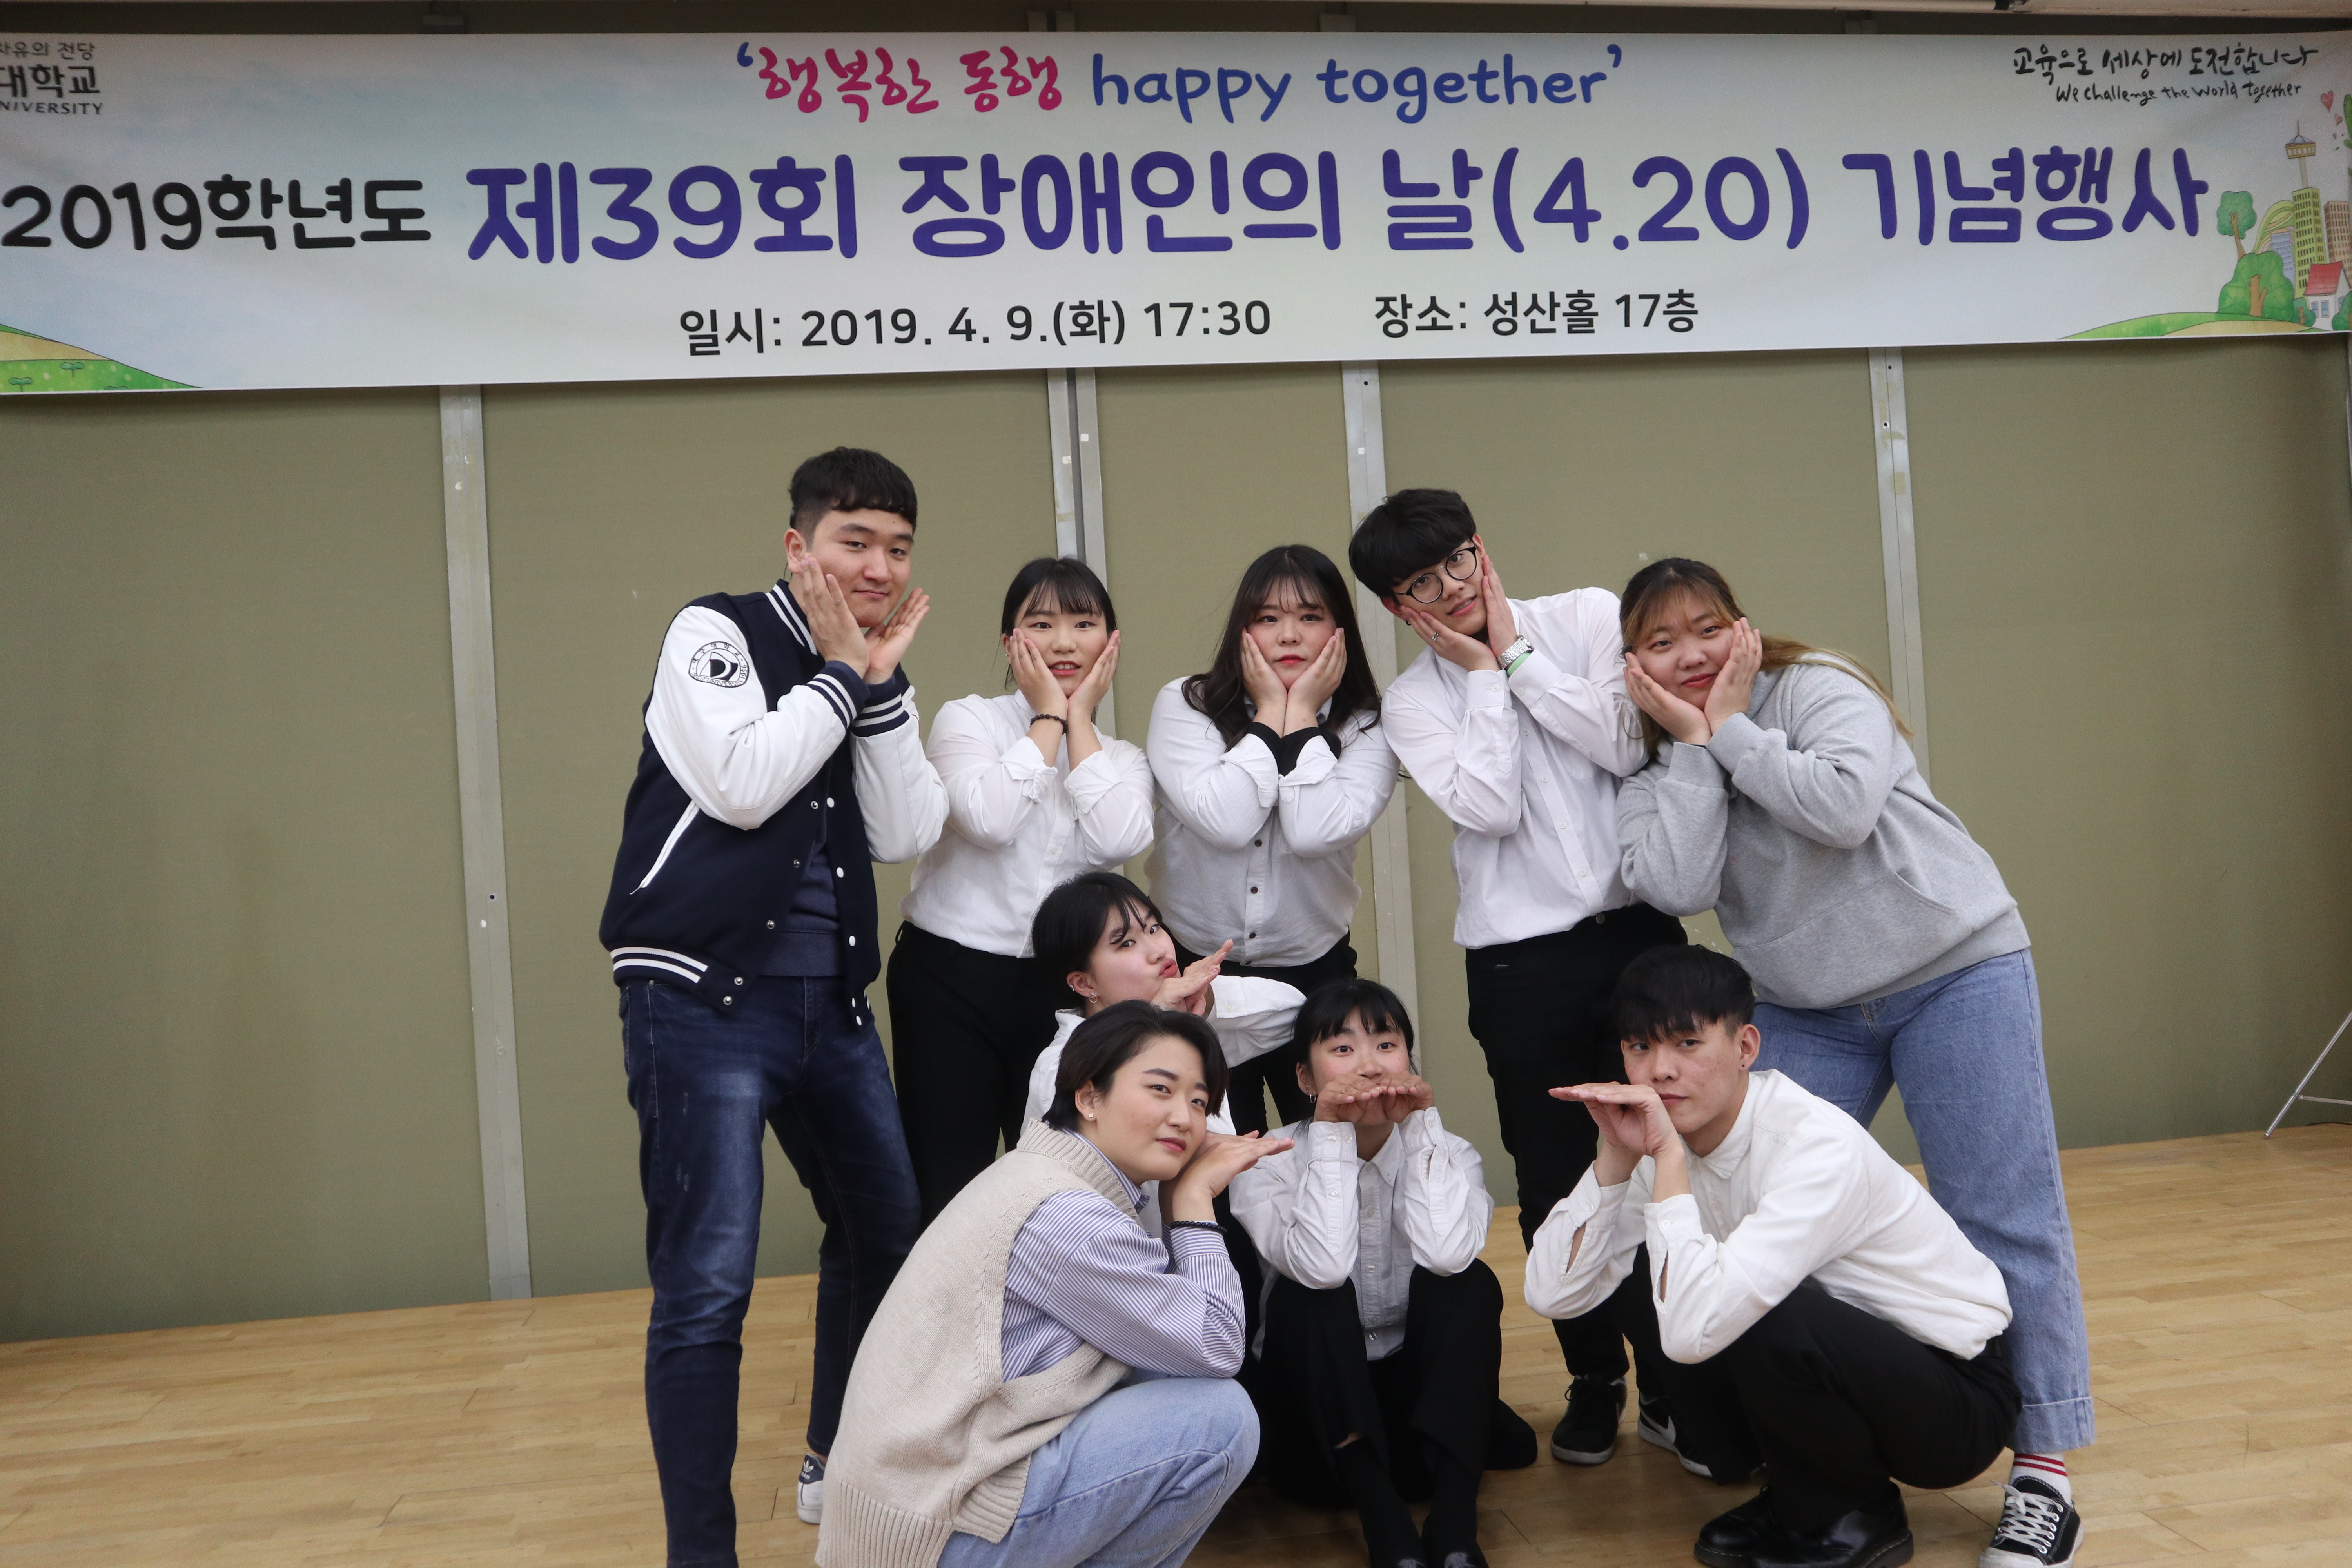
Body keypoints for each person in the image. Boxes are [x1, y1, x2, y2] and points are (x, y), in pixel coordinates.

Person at [1614, 558, 2090, 1568]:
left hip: (1954, 966)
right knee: (1742, 1205)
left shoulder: (1818, 686)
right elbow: (1678, 881)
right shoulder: (1654, 763)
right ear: (1633, 664)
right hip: (1806, 1003)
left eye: (1707, 627)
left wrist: (1731, 725)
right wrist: (1697, 746)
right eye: (1661, 641)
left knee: (2003, 1211)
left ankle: (2043, 1467)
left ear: (1743, 628)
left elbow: (1841, 808)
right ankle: (1826, 1482)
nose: (1691, 653)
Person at [598, 446, 948, 1560]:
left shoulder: (868, 665)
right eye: (855, 542)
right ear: (799, 547)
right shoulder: (716, 632)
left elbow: (906, 831)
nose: (879, 567)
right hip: (701, 998)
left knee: (888, 1233)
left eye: (898, 549)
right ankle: (701, 1553)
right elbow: (744, 785)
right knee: (707, 1285)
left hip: (828, 1003)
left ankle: (837, 1462)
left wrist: (877, 689)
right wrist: (842, 675)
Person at [1347, 488, 1689, 1470]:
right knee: (1553, 1174)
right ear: (1396, 606)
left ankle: (1678, 1378)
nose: (1452, 587)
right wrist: (1482, 678)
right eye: (1422, 583)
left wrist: (1519, 658)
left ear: (1481, 547)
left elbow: (1625, 741)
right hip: (1520, 963)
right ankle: (1596, 1374)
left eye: (1459, 560)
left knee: (1674, 1159)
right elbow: (1489, 806)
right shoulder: (1413, 702)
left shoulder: (1582, 617)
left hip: (1638, 937)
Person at [1528, 945, 2024, 1568]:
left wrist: (1669, 1161)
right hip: (1848, 1369)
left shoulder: (1813, 1144)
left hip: (1952, 1401)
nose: (1659, 1071)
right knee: (1640, 1270)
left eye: (1687, 1043)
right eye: (1640, 1047)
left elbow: (1691, 1333)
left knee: (1755, 1309)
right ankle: (1799, 1491)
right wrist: (1616, 1158)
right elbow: (1555, 1294)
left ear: (1746, 1047)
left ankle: (1859, 1513)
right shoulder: (1658, 1140)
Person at [818, 1002, 1290, 1568]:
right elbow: (1218, 1344)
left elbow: (1184, 1344)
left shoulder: (1043, 1175)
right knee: (1221, 1420)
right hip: (933, 1529)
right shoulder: (1066, 1217)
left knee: (1165, 1367)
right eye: (1161, 1090)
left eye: (1198, 1102)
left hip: (921, 1501)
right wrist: (1191, 1201)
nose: (1185, 1119)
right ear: (1089, 1097)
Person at [1231, 978, 1537, 1568]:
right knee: (1308, 1296)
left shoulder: (1450, 1152)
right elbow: (1322, 1268)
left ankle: (1455, 1526)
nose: (1369, 1065)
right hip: (1321, 1419)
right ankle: (1386, 1530)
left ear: (1409, 1061)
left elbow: (1448, 1257)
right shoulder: (1267, 1160)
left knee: (1469, 1283)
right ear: (1305, 1077)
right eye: (1342, 1048)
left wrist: (1419, 1127)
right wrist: (1331, 1133)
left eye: (1386, 1044)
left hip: (1419, 1408)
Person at [890, 557, 1154, 1226]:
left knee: (1057, 1182)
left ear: (1111, 643)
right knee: (948, 1181)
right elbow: (991, 819)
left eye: (1084, 624)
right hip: (949, 978)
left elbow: (1119, 839)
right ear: (1011, 643)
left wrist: (1079, 722)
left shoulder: (1122, 758)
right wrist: (1048, 719)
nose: (1064, 642)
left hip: (1061, 989)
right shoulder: (969, 721)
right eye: (1041, 624)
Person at [1146, 544, 1397, 1134]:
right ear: (1242, 629)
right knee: (1212, 1150)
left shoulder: (1367, 726)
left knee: (1329, 1140)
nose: (1289, 635)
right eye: (1268, 618)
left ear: (1339, 631)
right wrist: (1268, 715)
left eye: (1310, 617)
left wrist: (1301, 714)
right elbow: (1227, 822)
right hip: (1196, 968)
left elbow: (1313, 830)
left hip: (1314, 970)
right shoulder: (1187, 704)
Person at [1020, 872, 1303, 1220]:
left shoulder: (1178, 1016)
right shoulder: (1060, 1067)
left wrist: (1206, 996)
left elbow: (1298, 1014)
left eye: (1154, 928)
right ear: (1084, 983)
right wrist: (1154, 1027)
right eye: (1126, 944)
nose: (1158, 951)